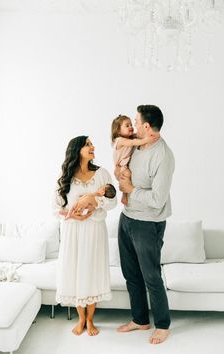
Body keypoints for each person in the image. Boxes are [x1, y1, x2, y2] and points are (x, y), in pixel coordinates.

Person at [116, 105, 175, 345]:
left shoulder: (163, 156)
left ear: (147, 126)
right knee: (131, 274)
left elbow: (158, 199)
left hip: (148, 224)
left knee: (151, 276)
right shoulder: (137, 143)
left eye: (137, 121)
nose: (134, 124)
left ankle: (162, 325)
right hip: (127, 217)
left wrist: (131, 190)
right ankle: (140, 319)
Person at [53, 136, 117, 336]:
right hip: (73, 232)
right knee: (76, 272)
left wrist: (93, 201)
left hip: (94, 231)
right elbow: (56, 208)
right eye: (88, 144)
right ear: (77, 149)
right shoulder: (65, 177)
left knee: (92, 272)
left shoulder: (102, 174)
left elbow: (113, 202)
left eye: (92, 144)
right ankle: (81, 319)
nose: (93, 147)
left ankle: (90, 320)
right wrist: (72, 216)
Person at [111, 115, 157, 205]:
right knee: (127, 175)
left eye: (131, 124)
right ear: (118, 130)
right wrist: (146, 140)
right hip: (120, 167)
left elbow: (138, 136)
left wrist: (147, 133)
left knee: (128, 175)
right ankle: (124, 195)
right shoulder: (119, 140)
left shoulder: (130, 137)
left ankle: (127, 193)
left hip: (125, 165)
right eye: (127, 125)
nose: (131, 127)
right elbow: (133, 142)